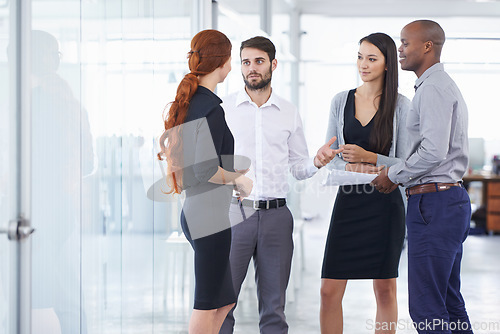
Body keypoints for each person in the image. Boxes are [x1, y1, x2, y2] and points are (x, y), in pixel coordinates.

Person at [219, 36, 341, 334]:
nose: (252, 69)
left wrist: (316, 161)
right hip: (235, 214)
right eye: (246, 62)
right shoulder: (225, 109)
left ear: (273, 64)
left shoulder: (288, 111)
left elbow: (298, 168)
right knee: (222, 306)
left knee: (274, 307)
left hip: (276, 217)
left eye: (259, 61)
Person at [371, 20, 473, 334]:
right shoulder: (436, 86)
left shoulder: (433, 88)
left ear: (427, 46)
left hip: (433, 204)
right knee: (447, 300)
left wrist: (393, 175)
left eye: (405, 43)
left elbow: (432, 151)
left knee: (427, 307)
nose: (399, 50)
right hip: (444, 201)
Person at [157, 29, 253, 334]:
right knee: (208, 303)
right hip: (207, 217)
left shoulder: (195, 102)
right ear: (223, 62)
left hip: (201, 212)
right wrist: (240, 179)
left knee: (223, 302)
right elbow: (205, 170)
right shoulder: (209, 109)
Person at [320, 33, 410, 334]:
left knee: (385, 289)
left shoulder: (401, 106)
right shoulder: (340, 101)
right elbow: (332, 157)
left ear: (387, 65)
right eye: (360, 56)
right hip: (348, 203)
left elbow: (408, 164)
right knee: (328, 290)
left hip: (385, 205)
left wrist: (370, 157)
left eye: (372, 58)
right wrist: (347, 162)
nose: (363, 64)